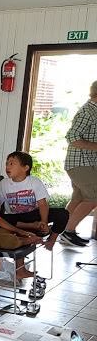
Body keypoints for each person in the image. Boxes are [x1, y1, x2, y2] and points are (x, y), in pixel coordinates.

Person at [0, 152, 69, 251]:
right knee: (0, 218)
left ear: (25, 168)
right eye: (7, 163)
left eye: (12, 163)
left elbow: (43, 204)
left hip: (33, 215)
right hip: (16, 219)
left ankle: (51, 240)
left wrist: (44, 222)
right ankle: (34, 226)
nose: (8, 166)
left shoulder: (34, 181)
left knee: (63, 214)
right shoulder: (3, 184)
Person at [63, 80, 97, 246]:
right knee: (94, 197)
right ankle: (67, 231)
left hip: (87, 163)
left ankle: (60, 230)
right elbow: (72, 137)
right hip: (80, 163)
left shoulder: (94, 111)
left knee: (79, 198)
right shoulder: (87, 112)